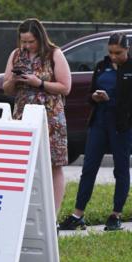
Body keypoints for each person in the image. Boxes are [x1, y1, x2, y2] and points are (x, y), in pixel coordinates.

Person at [59, 33, 132, 231]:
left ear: (127, 50)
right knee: (89, 168)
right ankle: (77, 214)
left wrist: (112, 100)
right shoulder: (101, 66)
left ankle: (116, 215)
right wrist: (95, 97)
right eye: (111, 52)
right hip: (98, 123)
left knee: (121, 169)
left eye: (118, 53)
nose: (114, 56)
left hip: (121, 126)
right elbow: (89, 95)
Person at [3, 18, 71, 214]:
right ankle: (24, 211)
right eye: (23, 41)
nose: (26, 45)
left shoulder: (54, 54)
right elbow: (6, 88)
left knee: (54, 165)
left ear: (40, 38)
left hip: (50, 116)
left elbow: (65, 87)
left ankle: (53, 215)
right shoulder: (16, 55)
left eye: (30, 41)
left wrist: (38, 83)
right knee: (22, 164)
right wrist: (15, 80)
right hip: (23, 115)